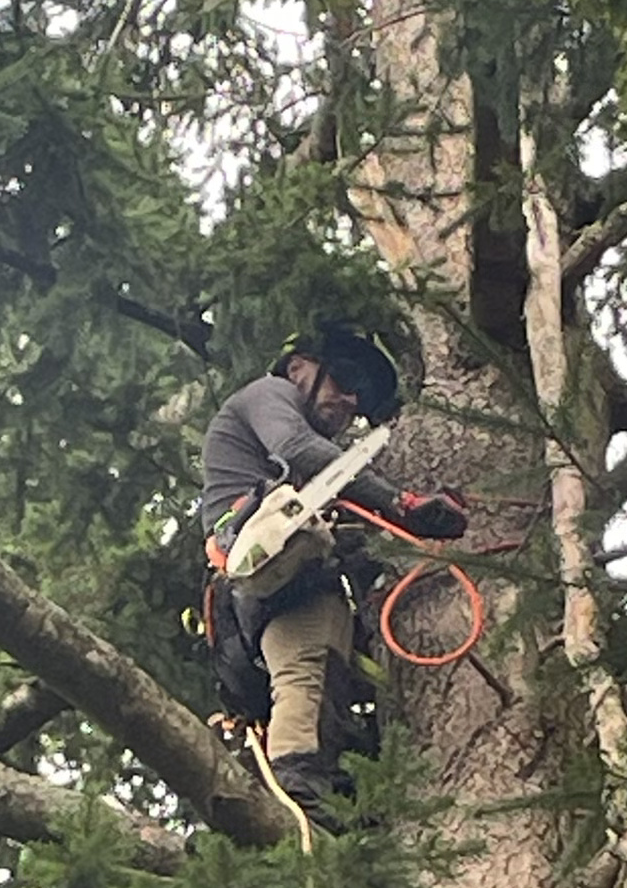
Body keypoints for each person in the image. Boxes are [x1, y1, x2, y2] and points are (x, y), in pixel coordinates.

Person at [200, 321, 468, 819]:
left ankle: (329, 788)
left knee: (332, 676)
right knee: (307, 666)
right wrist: (400, 503)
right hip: (263, 555)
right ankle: (297, 791)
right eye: (345, 379)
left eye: (360, 399)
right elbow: (297, 447)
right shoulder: (270, 394)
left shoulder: (314, 481)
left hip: (296, 574)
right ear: (298, 367)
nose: (350, 401)